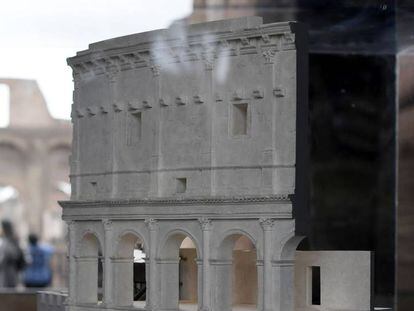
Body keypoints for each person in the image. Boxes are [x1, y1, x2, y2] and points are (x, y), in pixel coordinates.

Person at [0, 220, 26, 287]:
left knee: (8, 291)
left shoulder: (9, 240)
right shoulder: (10, 239)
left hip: (8, 272)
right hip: (9, 271)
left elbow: (9, 255)